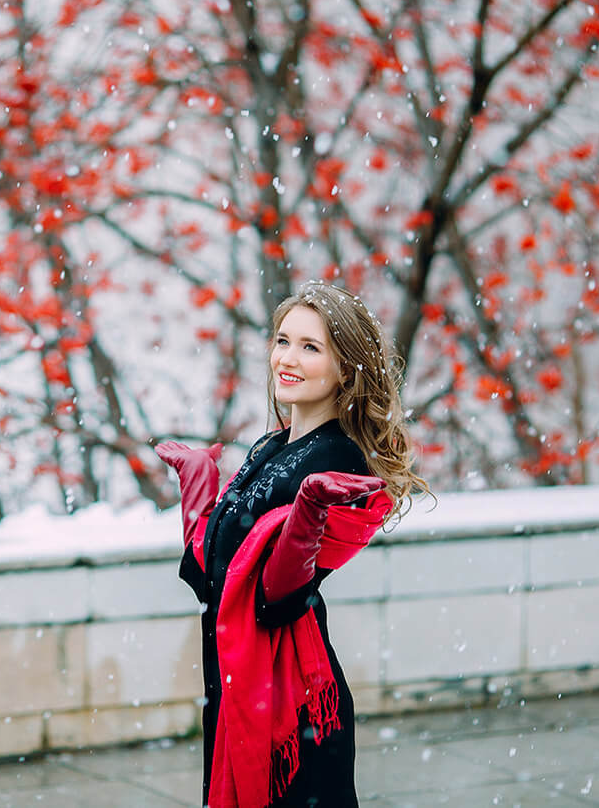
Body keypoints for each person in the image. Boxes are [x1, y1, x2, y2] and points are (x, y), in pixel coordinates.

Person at [157, 281, 430, 808]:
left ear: (345, 367)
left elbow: (275, 599)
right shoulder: (273, 445)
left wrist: (307, 514)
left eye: (310, 347)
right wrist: (197, 486)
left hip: (292, 702)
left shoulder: (341, 458)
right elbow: (213, 575)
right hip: (238, 683)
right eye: (283, 341)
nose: (288, 358)